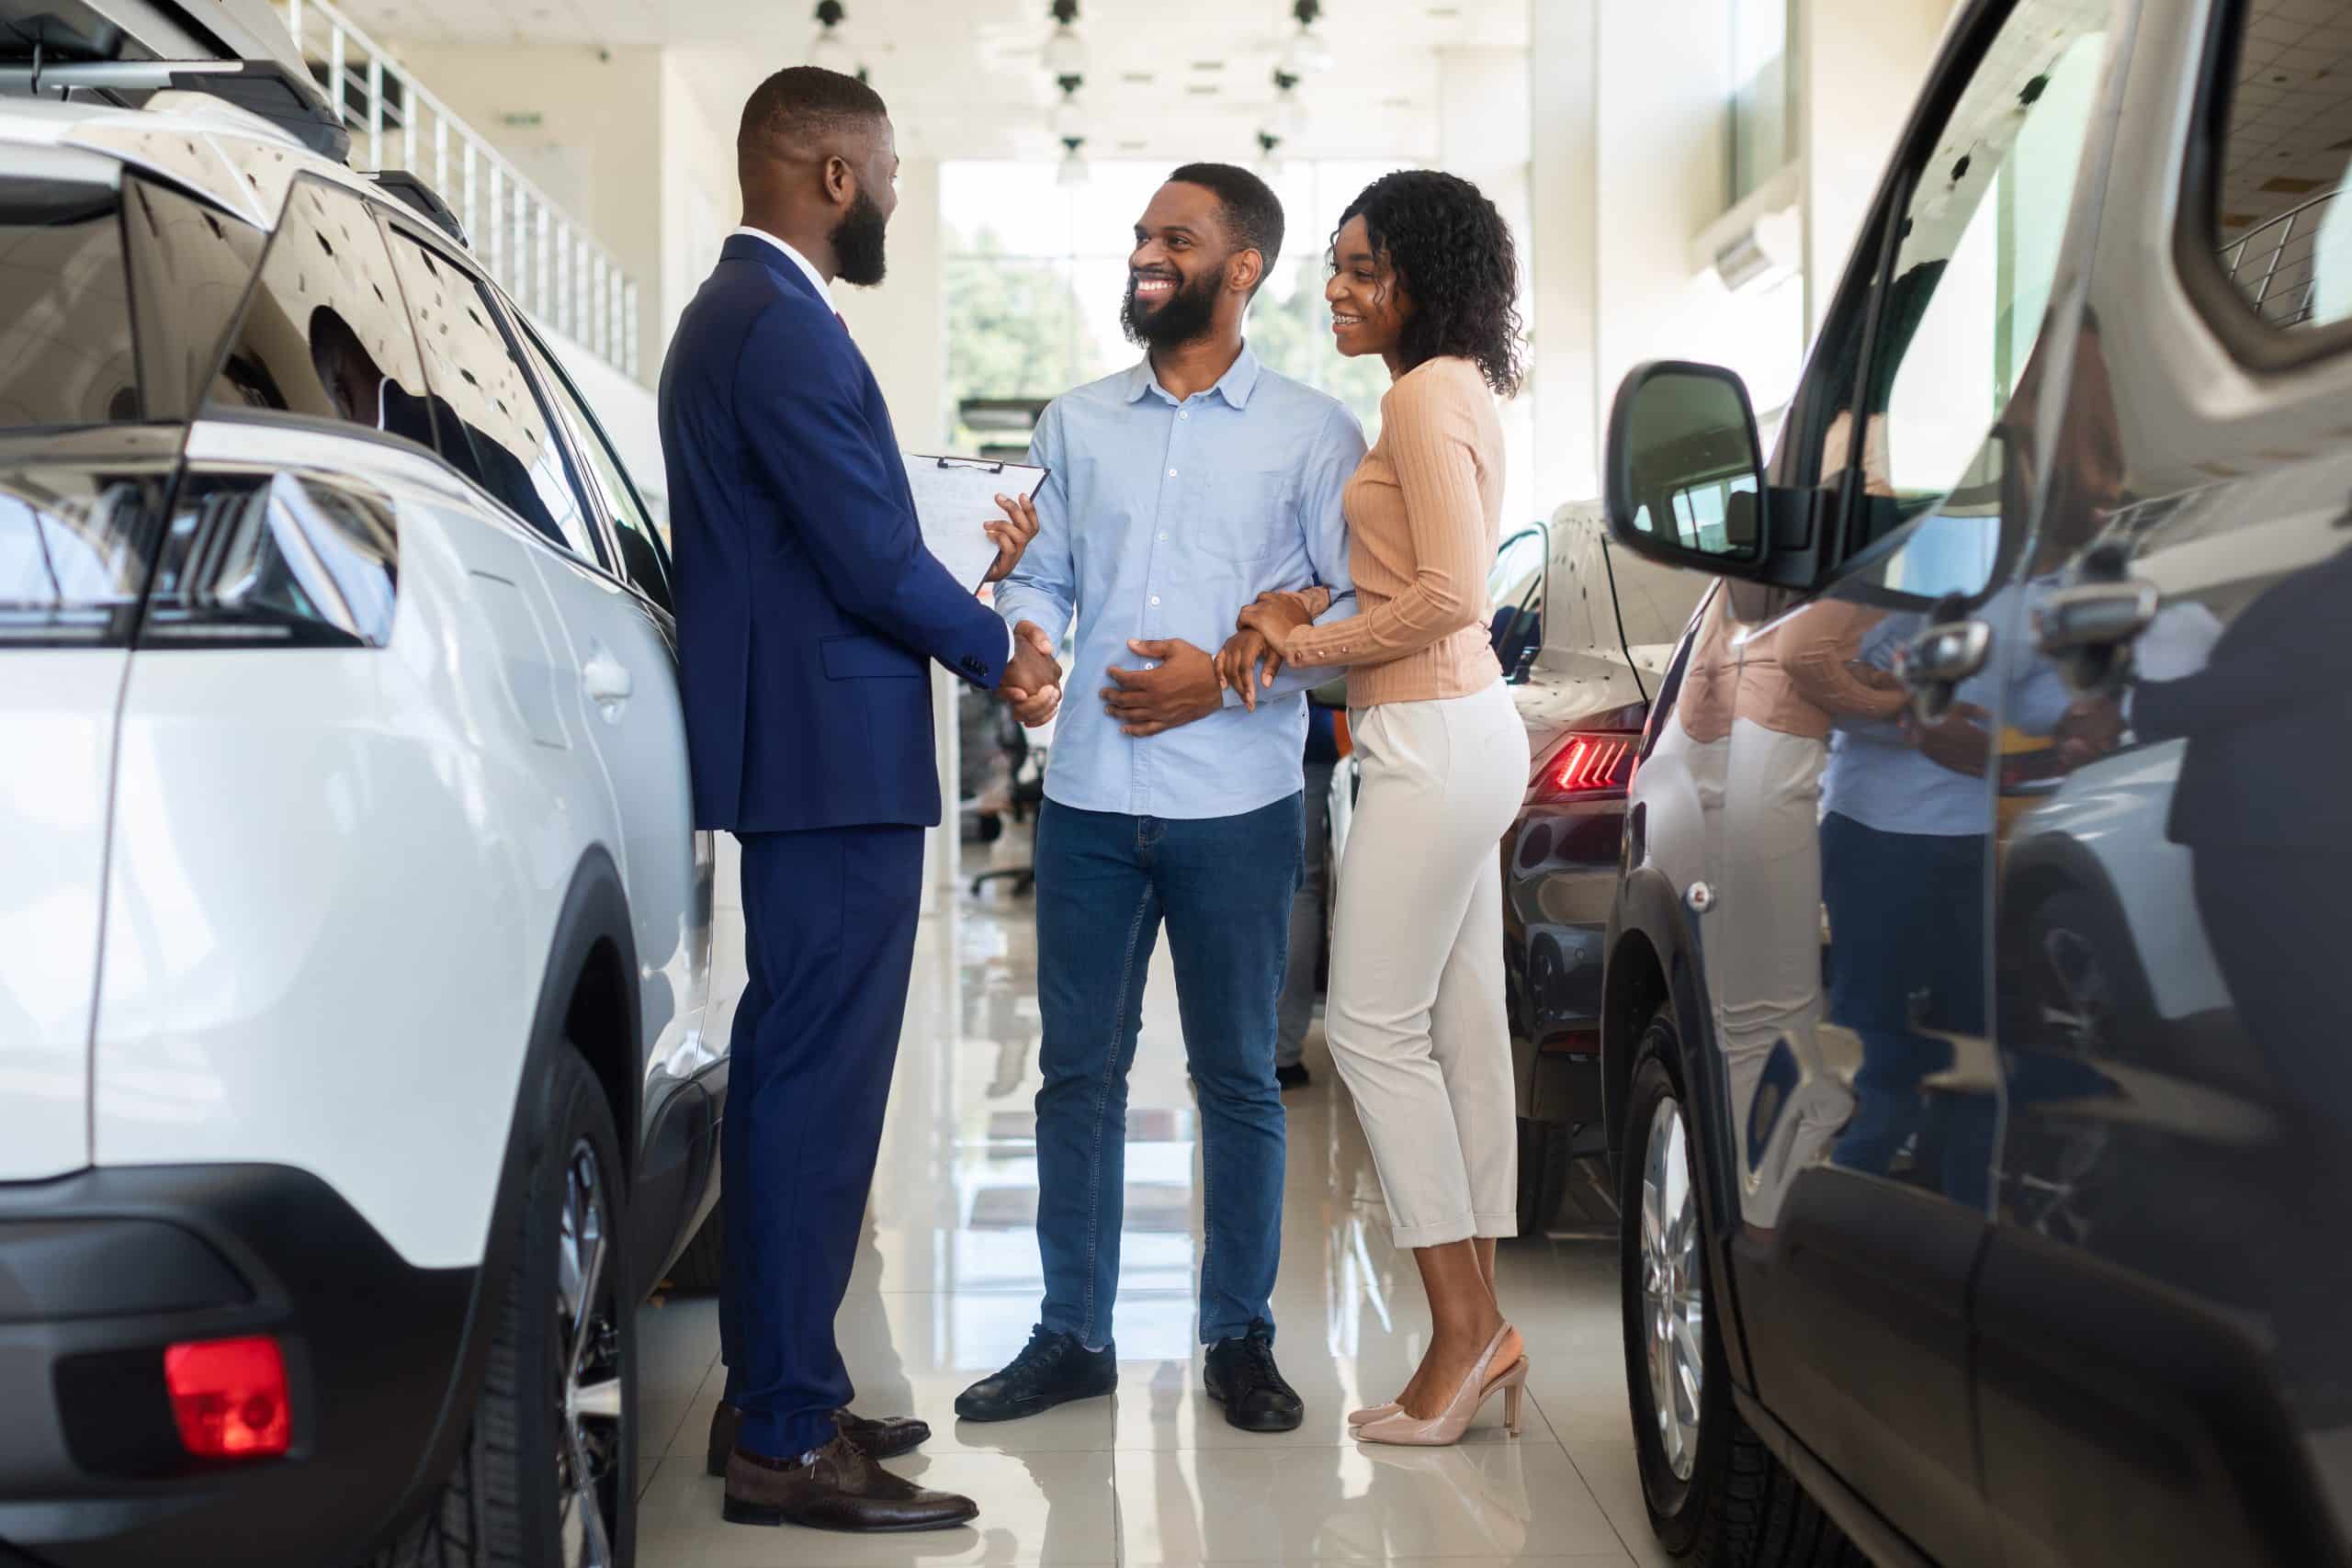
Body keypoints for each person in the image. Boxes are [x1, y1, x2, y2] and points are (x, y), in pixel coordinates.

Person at [659, 65, 1060, 1533]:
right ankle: (780, 1432)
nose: (892, 191)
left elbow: (846, 528)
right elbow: (865, 556)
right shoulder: (777, 328)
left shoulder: (749, 319)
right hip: (828, 761)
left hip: (811, 753)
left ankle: (787, 1386)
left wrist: (956, 549)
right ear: (830, 172)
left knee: (788, 1082)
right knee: (816, 1095)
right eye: (885, 169)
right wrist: (996, 643)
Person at [953, 163, 1363, 1434]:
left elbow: (1353, 609)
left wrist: (1224, 680)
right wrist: (1025, 639)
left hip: (1235, 800)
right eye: (1140, 236)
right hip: (1083, 797)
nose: (1146, 254)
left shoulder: (1313, 431)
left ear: (1243, 268)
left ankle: (1239, 1335)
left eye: (1174, 240)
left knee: (1238, 1074)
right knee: (1077, 1073)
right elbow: (1046, 574)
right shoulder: (1078, 422)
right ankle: (1071, 1331)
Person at [1222, 170, 1532, 1446]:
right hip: (1452, 728)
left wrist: (1292, 649)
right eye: (1336, 265)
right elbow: (1428, 580)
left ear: (1422, 275)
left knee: (1365, 1029)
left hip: (1434, 731)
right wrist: (1309, 612)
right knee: (1459, 1030)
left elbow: (1452, 593)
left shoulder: (1420, 393)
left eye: (1362, 266)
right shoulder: (1450, 389)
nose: (1336, 289)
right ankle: (1482, 1330)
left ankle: (1465, 1330)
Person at [1274, 702, 1341, 1090]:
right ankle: (1281, 1051)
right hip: (1303, 731)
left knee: (1213, 885)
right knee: (1297, 886)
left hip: (1214, 731)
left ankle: (1222, 1042)